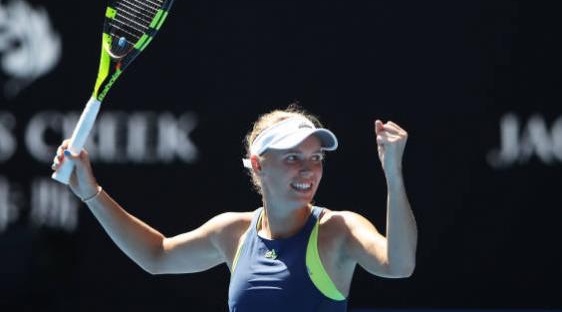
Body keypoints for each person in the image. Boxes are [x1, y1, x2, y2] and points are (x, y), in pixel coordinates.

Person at [51, 106, 417, 311]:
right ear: (258, 165)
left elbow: (399, 265)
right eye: (292, 158)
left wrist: (393, 174)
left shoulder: (339, 230)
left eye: (316, 157)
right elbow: (155, 255)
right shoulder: (232, 233)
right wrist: (91, 193)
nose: (308, 169)